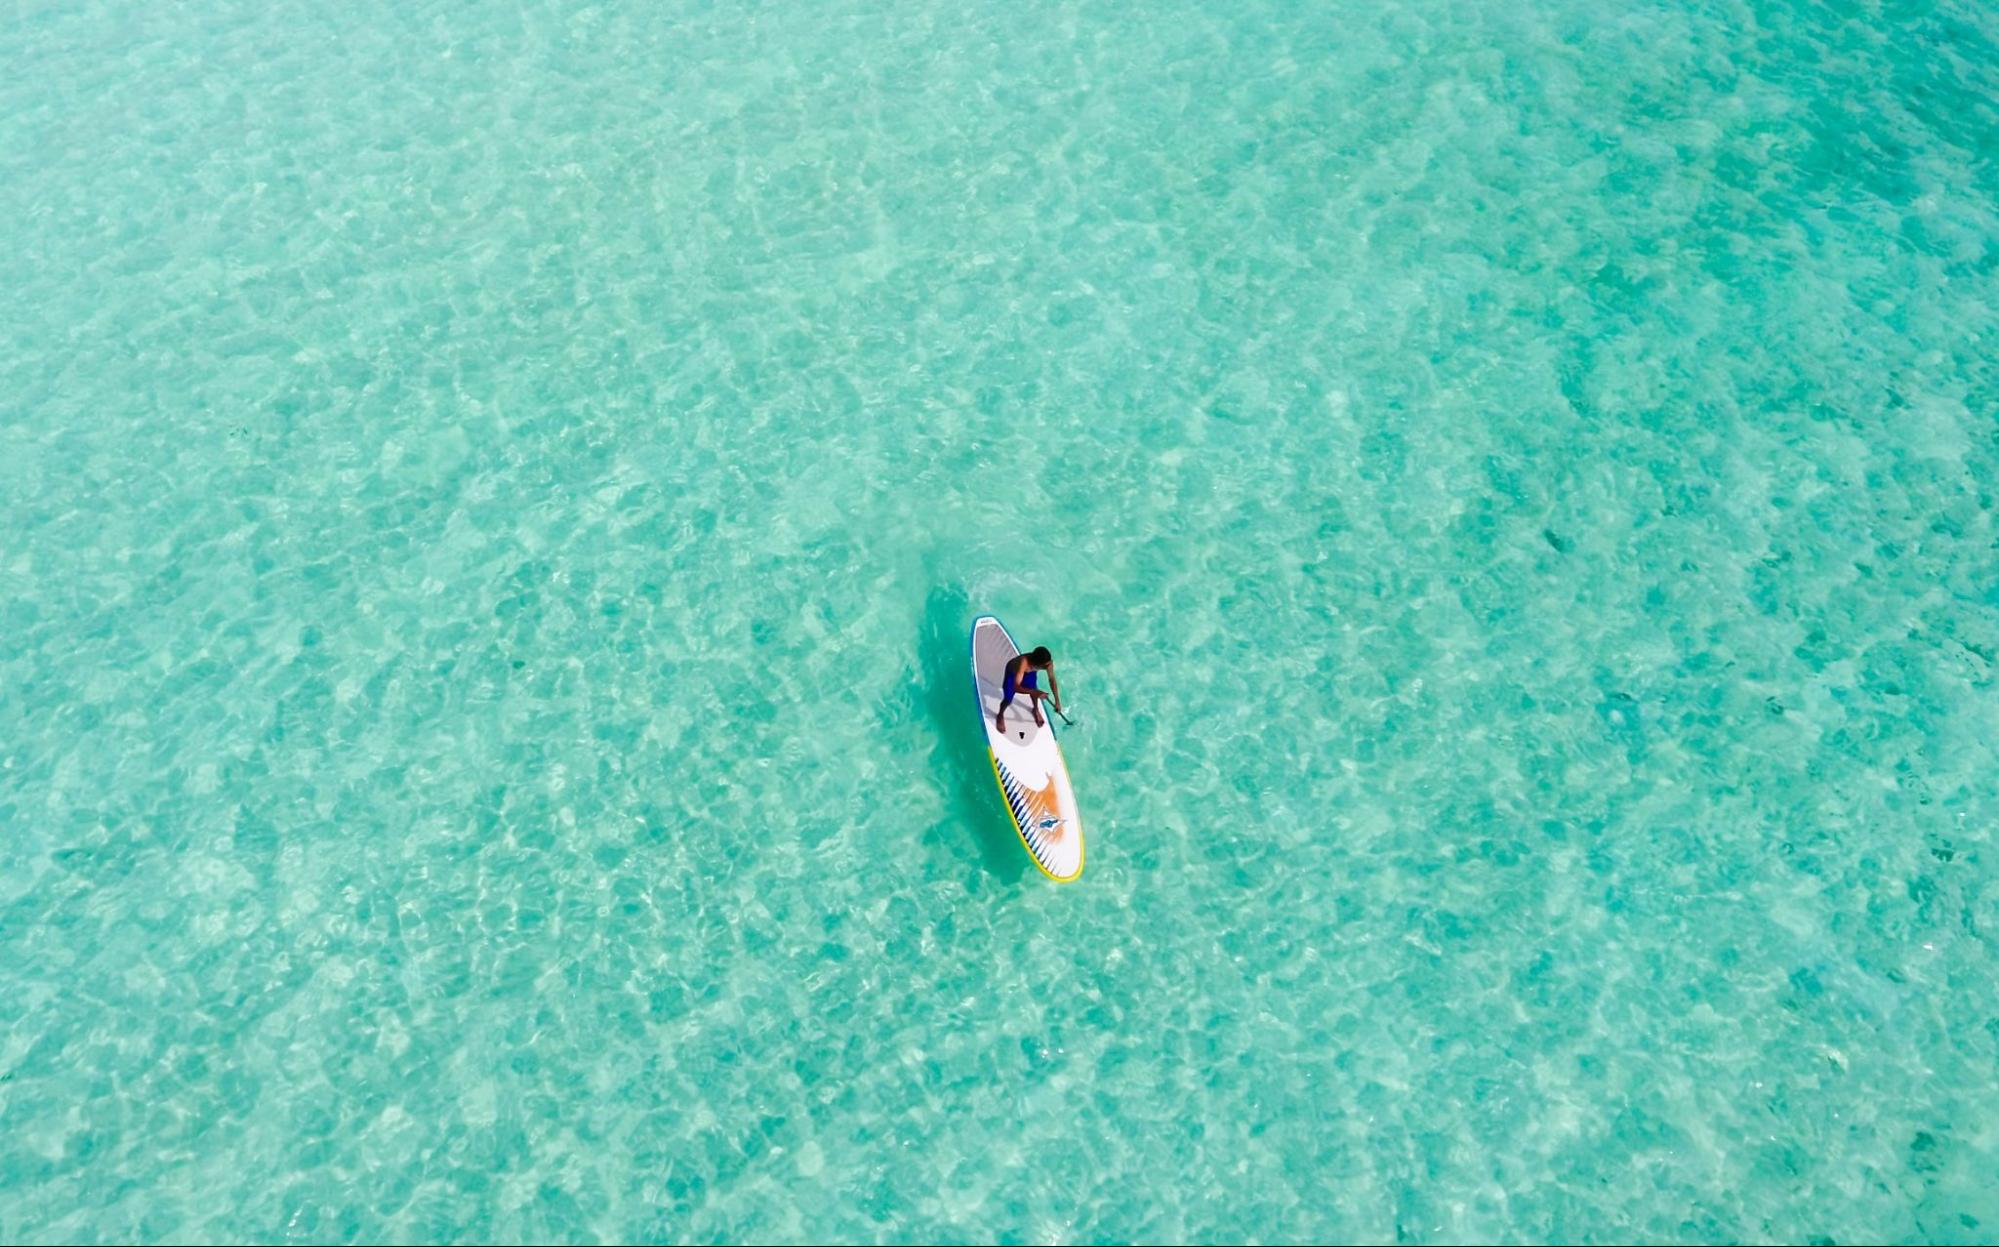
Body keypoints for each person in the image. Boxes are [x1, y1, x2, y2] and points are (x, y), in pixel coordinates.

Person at [995, 646, 1062, 734]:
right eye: (1045, 666)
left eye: (1048, 664)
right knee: (1008, 698)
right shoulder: (1023, 663)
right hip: (1013, 673)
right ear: (1037, 664)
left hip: (1030, 672)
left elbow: (1052, 680)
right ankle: (1000, 715)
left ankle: (1035, 709)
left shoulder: (1048, 663)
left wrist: (1057, 701)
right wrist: (1034, 692)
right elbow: (1016, 687)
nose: (1048, 667)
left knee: (1033, 687)